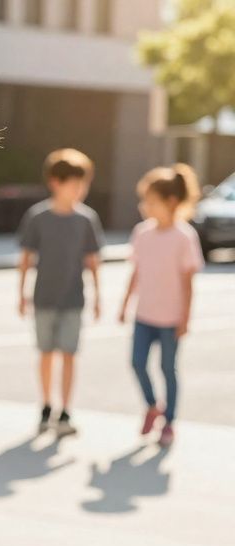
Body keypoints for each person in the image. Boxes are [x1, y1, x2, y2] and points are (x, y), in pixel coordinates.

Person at [16, 149, 105, 437]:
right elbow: (26, 258)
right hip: (44, 298)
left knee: (69, 354)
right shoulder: (38, 217)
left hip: (74, 300)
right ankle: (46, 407)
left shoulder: (86, 219)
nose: (80, 189)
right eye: (74, 183)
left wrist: (98, 296)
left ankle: (65, 410)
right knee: (46, 353)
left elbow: (92, 261)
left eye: (83, 184)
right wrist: (21, 294)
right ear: (55, 182)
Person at [119, 164, 203, 448]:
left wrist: (185, 318)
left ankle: (169, 422)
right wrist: (125, 304)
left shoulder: (184, 237)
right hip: (144, 315)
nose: (144, 207)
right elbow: (136, 272)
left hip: (170, 319)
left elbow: (188, 283)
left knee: (168, 369)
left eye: (151, 201)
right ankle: (152, 406)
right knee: (137, 363)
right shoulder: (141, 233)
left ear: (171, 202)